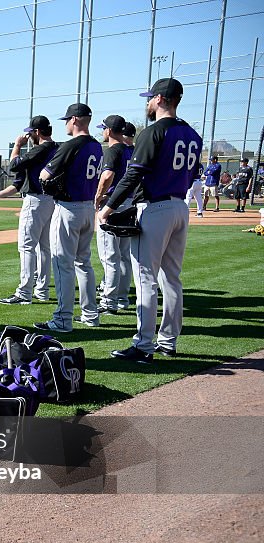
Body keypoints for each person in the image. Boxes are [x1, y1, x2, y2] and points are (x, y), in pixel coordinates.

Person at [98, 77, 203, 363]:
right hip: (181, 207)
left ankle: (143, 345)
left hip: (155, 208)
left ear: (159, 99)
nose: (147, 102)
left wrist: (107, 207)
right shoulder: (193, 134)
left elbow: (133, 175)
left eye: (149, 97)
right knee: (171, 279)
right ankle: (168, 341)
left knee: (146, 279)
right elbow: (194, 175)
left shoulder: (152, 132)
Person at [34, 102, 103, 333]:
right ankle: (91, 314)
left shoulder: (70, 145)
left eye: (67, 120)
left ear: (74, 120)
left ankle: (63, 318)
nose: (66, 124)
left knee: (63, 265)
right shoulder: (97, 145)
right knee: (84, 263)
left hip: (68, 209)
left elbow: (45, 175)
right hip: (88, 208)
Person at [0, 114, 57, 306]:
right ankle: (41, 290)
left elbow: (14, 165)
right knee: (45, 247)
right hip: (52, 200)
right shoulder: (57, 148)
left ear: (37, 132)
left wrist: (17, 145)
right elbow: (18, 182)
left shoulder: (41, 148)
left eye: (31, 133)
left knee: (26, 246)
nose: (28, 136)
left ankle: (24, 292)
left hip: (36, 201)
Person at [93, 114, 134, 314]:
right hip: (128, 203)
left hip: (112, 205)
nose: (103, 131)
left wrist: (99, 195)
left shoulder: (113, 150)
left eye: (104, 128)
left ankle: (108, 302)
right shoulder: (129, 150)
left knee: (110, 257)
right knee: (124, 256)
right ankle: (122, 299)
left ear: (109, 130)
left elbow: (107, 175)